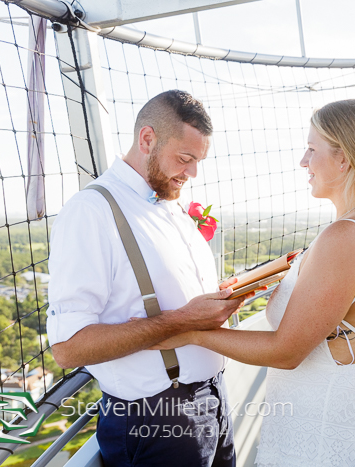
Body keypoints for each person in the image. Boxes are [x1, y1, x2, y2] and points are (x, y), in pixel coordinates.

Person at [151, 99, 355, 466]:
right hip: (354, 408)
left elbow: (286, 352)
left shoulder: (347, 236)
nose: (303, 161)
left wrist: (189, 332)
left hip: (324, 432)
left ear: (344, 159)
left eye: (312, 149)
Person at [46, 90, 252, 467]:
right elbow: (68, 348)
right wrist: (184, 320)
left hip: (213, 403)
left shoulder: (170, 205)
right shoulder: (90, 212)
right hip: (155, 421)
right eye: (185, 158)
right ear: (147, 139)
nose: (191, 173)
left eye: (197, 161)